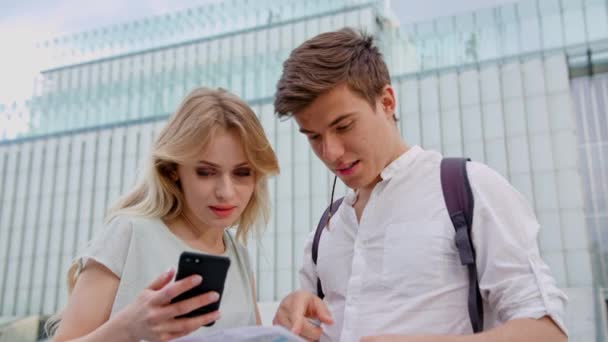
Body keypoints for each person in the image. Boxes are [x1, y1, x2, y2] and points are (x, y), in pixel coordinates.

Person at [271, 28, 568, 342]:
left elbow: (547, 332)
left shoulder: (468, 188)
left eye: (343, 126)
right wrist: (291, 320)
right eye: (314, 137)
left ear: (387, 102)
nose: (330, 152)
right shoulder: (325, 231)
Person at [48, 87, 280, 341]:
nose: (225, 192)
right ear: (172, 170)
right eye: (206, 172)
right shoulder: (130, 233)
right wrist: (128, 328)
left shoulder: (238, 255)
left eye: (242, 173)